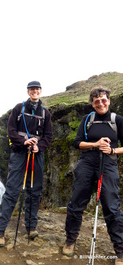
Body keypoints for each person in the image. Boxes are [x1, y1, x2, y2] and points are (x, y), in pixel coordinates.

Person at [62, 86, 123, 265]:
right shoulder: (87, 119)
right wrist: (95, 144)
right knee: (76, 202)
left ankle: (120, 250)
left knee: (112, 207)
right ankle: (70, 240)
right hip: (87, 163)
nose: (101, 103)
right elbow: (76, 143)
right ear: (92, 104)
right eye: (97, 101)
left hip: (108, 164)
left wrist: (112, 149)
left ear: (109, 101)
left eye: (103, 100)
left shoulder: (117, 120)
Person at [0, 81, 53, 247]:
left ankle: (31, 226)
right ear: (28, 92)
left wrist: (38, 147)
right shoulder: (19, 108)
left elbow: (48, 136)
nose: (35, 91)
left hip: (36, 155)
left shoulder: (45, 113)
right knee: (12, 190)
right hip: (20, 153)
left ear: (40, 92)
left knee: (34, 191)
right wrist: (24, 141)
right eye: (32, 89)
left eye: (37, 89)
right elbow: (11, 130)